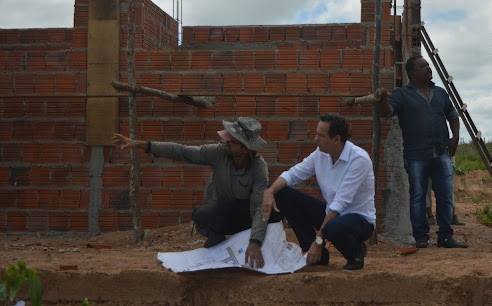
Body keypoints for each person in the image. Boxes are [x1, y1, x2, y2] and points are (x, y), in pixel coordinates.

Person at [112, 117, 279, 269]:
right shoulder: (218, 152)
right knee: (203, 214)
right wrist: (141, 144)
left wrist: (255, 242)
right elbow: (181, 151)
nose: (226, 143)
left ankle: (259, 243)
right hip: (222, 212)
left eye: (232, 141)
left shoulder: (259, 167)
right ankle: (216, 239)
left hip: (245, 216)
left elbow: (258, 206)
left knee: (274, 205)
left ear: (245, 148)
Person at [261, 113, 376, 270]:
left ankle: (356, 252)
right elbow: (293, 174)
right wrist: (270, 191)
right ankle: (315, 254)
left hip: (359, 220)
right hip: (332, 214)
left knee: (332, 227)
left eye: (320, 135)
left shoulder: (359, 159)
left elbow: (340, 203)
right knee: (282, 194)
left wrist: (319, 240)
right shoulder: (320, 154)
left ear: (336, 139)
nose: (315, 139)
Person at [376, 56, 468, 249]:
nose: (428, 67)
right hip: (415, 155)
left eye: (428, 64)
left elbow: (453, 116)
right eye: (423, 66)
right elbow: (386, 112)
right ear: (412, 73)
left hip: (440, 152)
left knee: (445, 195)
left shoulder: (440, 93)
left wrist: (455, 136)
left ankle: (445, 236)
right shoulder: (402, 94)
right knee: (418, 196)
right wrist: (383, 98)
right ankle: (421, 237)